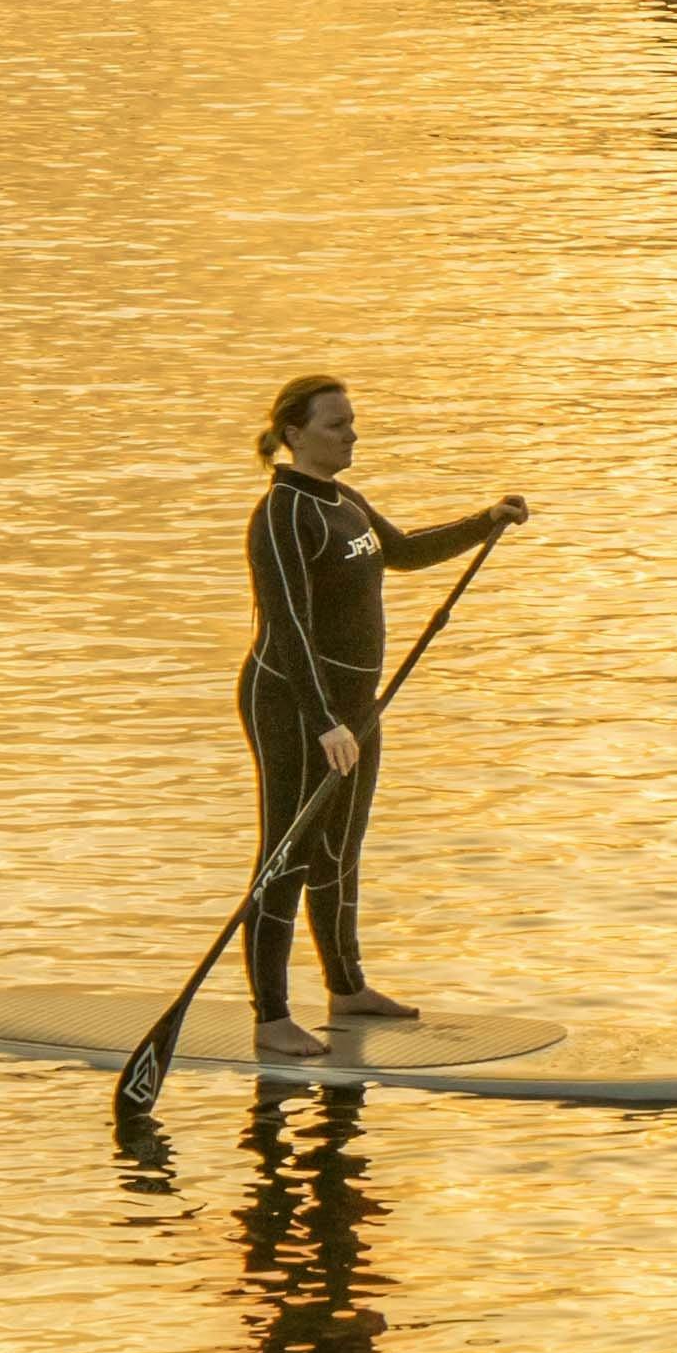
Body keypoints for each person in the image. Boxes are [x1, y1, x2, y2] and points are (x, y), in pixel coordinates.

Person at [241, 376, 523, 1042]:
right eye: (337, 424)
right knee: (288, 851)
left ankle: (346, 989)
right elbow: (288, 627)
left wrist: (483, 521)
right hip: (291, 702)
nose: (352, 434)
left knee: (341, 847)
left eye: (352, 421)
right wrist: (322, 722)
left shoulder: (345, 501)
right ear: (294, 435)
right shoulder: (282, 514)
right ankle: (271, 1016)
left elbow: (403, 550)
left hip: (353, 707)